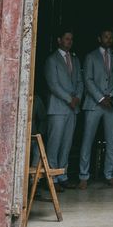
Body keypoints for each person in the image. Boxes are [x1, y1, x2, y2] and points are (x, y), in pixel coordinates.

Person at [78, 27, 113, 188]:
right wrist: (101, 98)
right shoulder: (90, 57)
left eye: (111, 37)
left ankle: (109, 174)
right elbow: (88, 79)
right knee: (88, 139)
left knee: (111, 140)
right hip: (93, 104)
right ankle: (83, 175)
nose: (108, 40)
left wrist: (112, 96)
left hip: (112, 103)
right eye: (106, 37)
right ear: (99, 38)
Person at [43, 28, 83, 190]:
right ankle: (52, 178)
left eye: (71, 39)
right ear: (59, 40)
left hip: (72, 108)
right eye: (66, 39)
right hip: (58, 108)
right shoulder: (51, 60)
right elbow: (53, 84)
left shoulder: (75, 59)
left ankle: (63, 175)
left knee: (67, 143)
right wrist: (69, 99)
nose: (69, 42)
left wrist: (78, 98)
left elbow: (80, 81)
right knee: (55, 143)